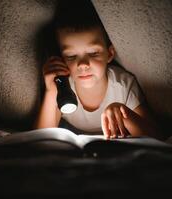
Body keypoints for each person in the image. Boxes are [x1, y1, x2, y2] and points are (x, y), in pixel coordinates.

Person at [34, 0, 160, 139]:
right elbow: (40, 137)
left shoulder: (123, 85)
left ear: (110, 54)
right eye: (71, 56)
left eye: (93, 53)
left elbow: (155, 136)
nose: (82, 64)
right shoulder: (62, 88)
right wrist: (51, 91)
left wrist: (124, 113)